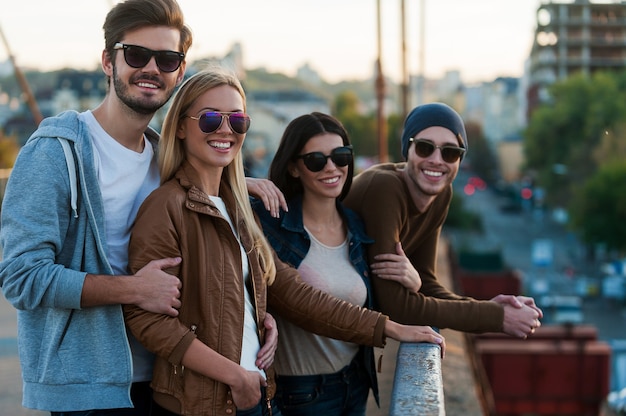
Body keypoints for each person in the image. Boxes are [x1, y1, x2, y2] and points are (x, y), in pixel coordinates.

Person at [0, 1, 276, 414]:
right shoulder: (55, 154)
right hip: (91, 389)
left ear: (180, 72)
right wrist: (133, 289)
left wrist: (253, 312)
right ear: (108, 61)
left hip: (171, 380)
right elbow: (21, 278)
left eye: (166, 59)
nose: (151, 68)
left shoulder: (168, 161)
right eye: (136, 55)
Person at [123, 67, 445, 416]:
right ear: (182, 127)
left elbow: (294, 293)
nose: (225, 130)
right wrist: (234, 376)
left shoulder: (239, 210)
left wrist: (390, 328)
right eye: (211, 119)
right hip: (202, 403)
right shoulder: (166, 206)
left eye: (238, 121)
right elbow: (148, 321)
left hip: (256, 393)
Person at [250, 112, 428, 416]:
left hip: (355, 382)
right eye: (316, 160)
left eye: (341, 156)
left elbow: (372, 298)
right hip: (300, 393)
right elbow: (206, 194)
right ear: (293, 167)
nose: (331, 167)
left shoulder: (358, 227)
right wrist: (241, 182)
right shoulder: (268, 222)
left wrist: (413, 282)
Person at [342, 102, 543, 337]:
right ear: (407, 150)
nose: (437, 160)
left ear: (459, 160)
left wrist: (491, 307)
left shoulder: (440, 194)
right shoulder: (384, 188)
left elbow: (426, 281)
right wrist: (495, 316)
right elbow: (396, 306)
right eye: (425, 148)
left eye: (450, 152)